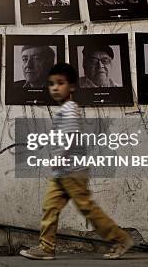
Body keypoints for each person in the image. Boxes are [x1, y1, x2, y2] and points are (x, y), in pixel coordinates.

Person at [19, 63, 134, 260]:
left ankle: (121, 238)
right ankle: (46, 247)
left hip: (72, 171)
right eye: (51, 84)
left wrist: (59, 156)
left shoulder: (70, 108)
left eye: (60, 83)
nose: (55, 87)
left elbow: (70, 135)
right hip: (62, 173)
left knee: (87, 209)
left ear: (72, 87)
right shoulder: (65, 109)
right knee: (50, 207)